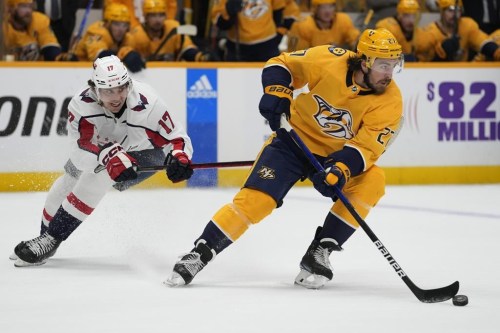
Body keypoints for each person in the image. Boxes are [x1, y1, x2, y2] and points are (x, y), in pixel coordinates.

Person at [165, 28, 404, 289]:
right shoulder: (329, 59)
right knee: (258, 201)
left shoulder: (391, 100)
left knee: (374, 180)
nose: (389, 74)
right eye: (383, 65)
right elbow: (281, 64)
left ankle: (320, 251)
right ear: (365, 61)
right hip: (292, 142)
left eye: (394, 65)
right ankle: (200, 253)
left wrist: (342, 169)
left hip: (334, 157)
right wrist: (278, 91)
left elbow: (367, 148)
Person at [11, 55, 194, 267]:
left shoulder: (149, 103)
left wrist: (181, 157)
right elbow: (79, 154)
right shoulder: (81, 105)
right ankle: (44, 237)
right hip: (97, 151)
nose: (116, 97)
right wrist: (107, 154)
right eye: (108, 91)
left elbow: (177, 138)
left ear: (129, 85)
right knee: (69, 180)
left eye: (120, 89)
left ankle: (51, 239)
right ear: (95, 89)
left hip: (145, 152)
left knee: (99, 176)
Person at [130, 0, 217, 62]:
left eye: (161, 15)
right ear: (145, 17)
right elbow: (125, 51)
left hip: (172, 77)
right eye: (153, 15)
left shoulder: (173, 28)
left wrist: (200, 57)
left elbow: (186, 48)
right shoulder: (137, 34)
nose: (158, 20)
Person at [415, 0, 500, 61]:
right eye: (450, 10)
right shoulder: (429, 33)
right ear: (442, 12)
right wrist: (440, 54)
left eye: (458, 10)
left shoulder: (467, 25)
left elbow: (483, 42)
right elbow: (421, 60)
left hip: (464, 74)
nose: (454, 15)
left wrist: (496, 52)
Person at [74, 2, 146, 72]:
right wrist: (122, 57)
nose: (121, 30)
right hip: (77, 69)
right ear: (107, 24)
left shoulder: (128, 37)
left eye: (124, 25)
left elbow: (128, 54)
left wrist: (130, 55)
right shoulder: (97, 31)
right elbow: (101, 55)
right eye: (116, 24)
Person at [211, 0, 286, 61]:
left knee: (271, 77)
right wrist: (228, 11)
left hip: (268, 45)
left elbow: (279, 13)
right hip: (238, 47)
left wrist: (278, 36)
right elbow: (220, 24)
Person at [287, 0, 360, 51]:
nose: (328, 11)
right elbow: (297, 56)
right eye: (323, 7)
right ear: (315, 9)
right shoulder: (302, 26)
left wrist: (358, 44)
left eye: (331, 6)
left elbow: (355, 41)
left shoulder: (343, 20)